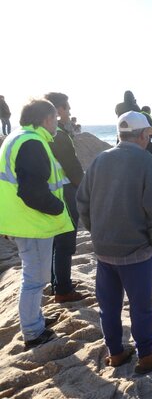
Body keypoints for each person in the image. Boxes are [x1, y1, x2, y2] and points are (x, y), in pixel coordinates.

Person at [77, 111, 152, 373]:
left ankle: (116, 354)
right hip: (137, 251)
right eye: (149, 135)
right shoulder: (146, 161)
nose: (149, 140)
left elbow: (82, 202)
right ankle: (147, 356)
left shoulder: (100, 159)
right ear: (142, 135)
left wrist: (97, 231)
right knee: (140, 307)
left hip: (104, 250)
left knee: (109, 306)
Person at [0, 99, 74, 349]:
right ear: (46, 119)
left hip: (23, 220)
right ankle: (32, 331)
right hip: (31, 222)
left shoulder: (21, 137)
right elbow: (31, 190)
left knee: (35, 275)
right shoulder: (31, 142)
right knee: (35, 278)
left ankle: (36, 320)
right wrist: (58, 207)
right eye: (55, 118)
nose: (58, 123)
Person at [44, 92, 86, 303]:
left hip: (53, 191)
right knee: (65, 242)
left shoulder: (46, 133)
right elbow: (73, 168)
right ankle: (63, 289)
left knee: (57, 241)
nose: (69, 113)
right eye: (67, 109)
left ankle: (58, 283)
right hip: (65, 191)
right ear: (58, 111)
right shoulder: (58, 135)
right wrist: (86, 189)